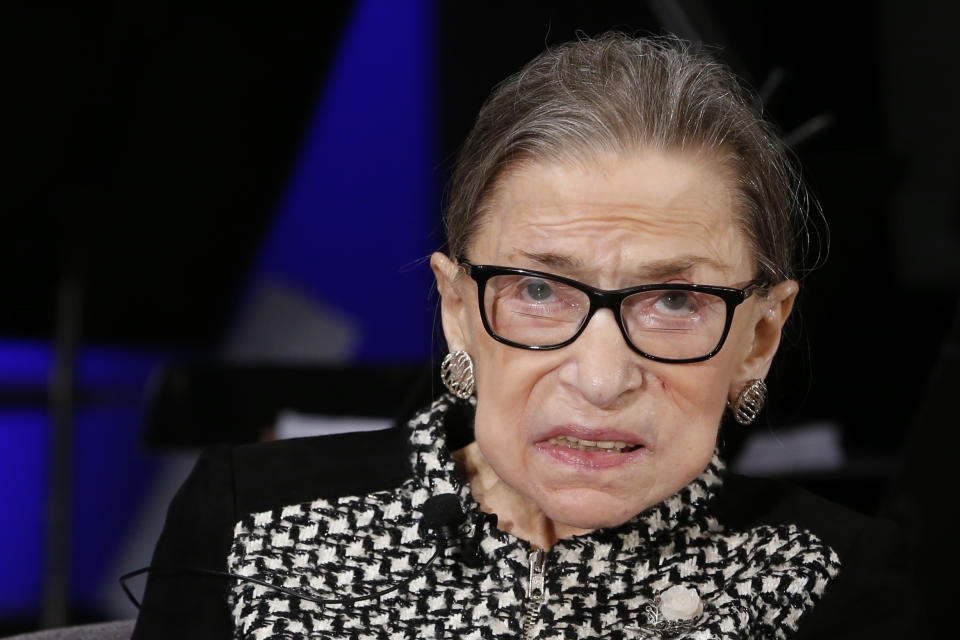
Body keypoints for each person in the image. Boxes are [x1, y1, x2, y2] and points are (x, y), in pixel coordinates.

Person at [131, 34, 914, 639]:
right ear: (456, 308)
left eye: (674, 299)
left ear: (760, 336)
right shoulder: (254, 521)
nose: (601, 378)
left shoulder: (834, 578)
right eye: (539, 289)